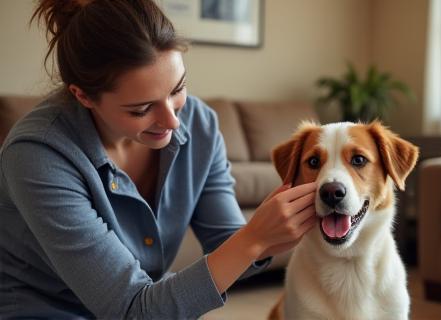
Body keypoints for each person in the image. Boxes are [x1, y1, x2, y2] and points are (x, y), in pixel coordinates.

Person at [0, 0, 317, 318]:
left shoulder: (199, 124)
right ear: (83, 96)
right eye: (141, 109)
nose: (173, 122)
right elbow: (133, 310)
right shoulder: (37, 153)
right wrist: (254, 238)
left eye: (177, 89)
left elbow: (229, 245)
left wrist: (276, 229)